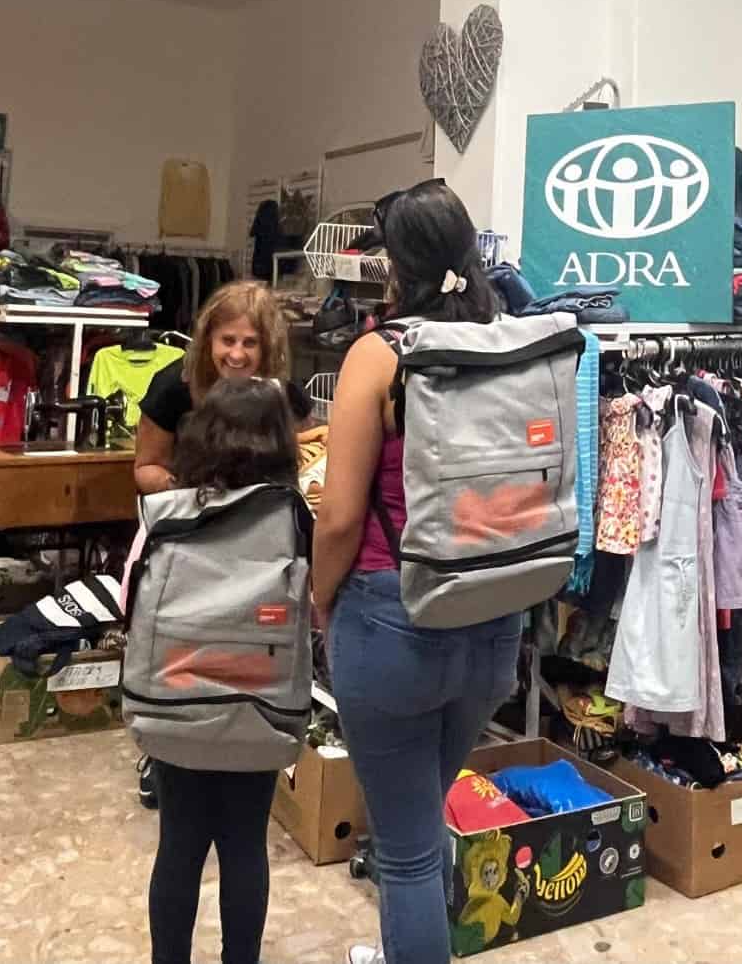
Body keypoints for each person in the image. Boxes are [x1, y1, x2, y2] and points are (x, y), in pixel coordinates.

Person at [312, 181, 524, 964]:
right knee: (421, 818)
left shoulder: (380, 354)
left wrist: (318, 600)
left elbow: (339, 516)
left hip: (392, 612)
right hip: (495, 615)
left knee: (403, 851)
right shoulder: (511, 343)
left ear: (394, 266)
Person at [140, 376, 301, 964]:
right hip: (261, 707)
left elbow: (134, 599)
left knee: (179, 846)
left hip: (173, 703)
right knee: (245, 845)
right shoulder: (292, 521)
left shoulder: (163, 516)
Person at [134, 282, 293, 495]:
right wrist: (191, 494)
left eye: (250, 343)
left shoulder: (280, 390)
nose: (236, 355)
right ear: (209, 338)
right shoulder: (171, 386)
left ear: (267, 346)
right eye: (228, 341)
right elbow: (145, 468)